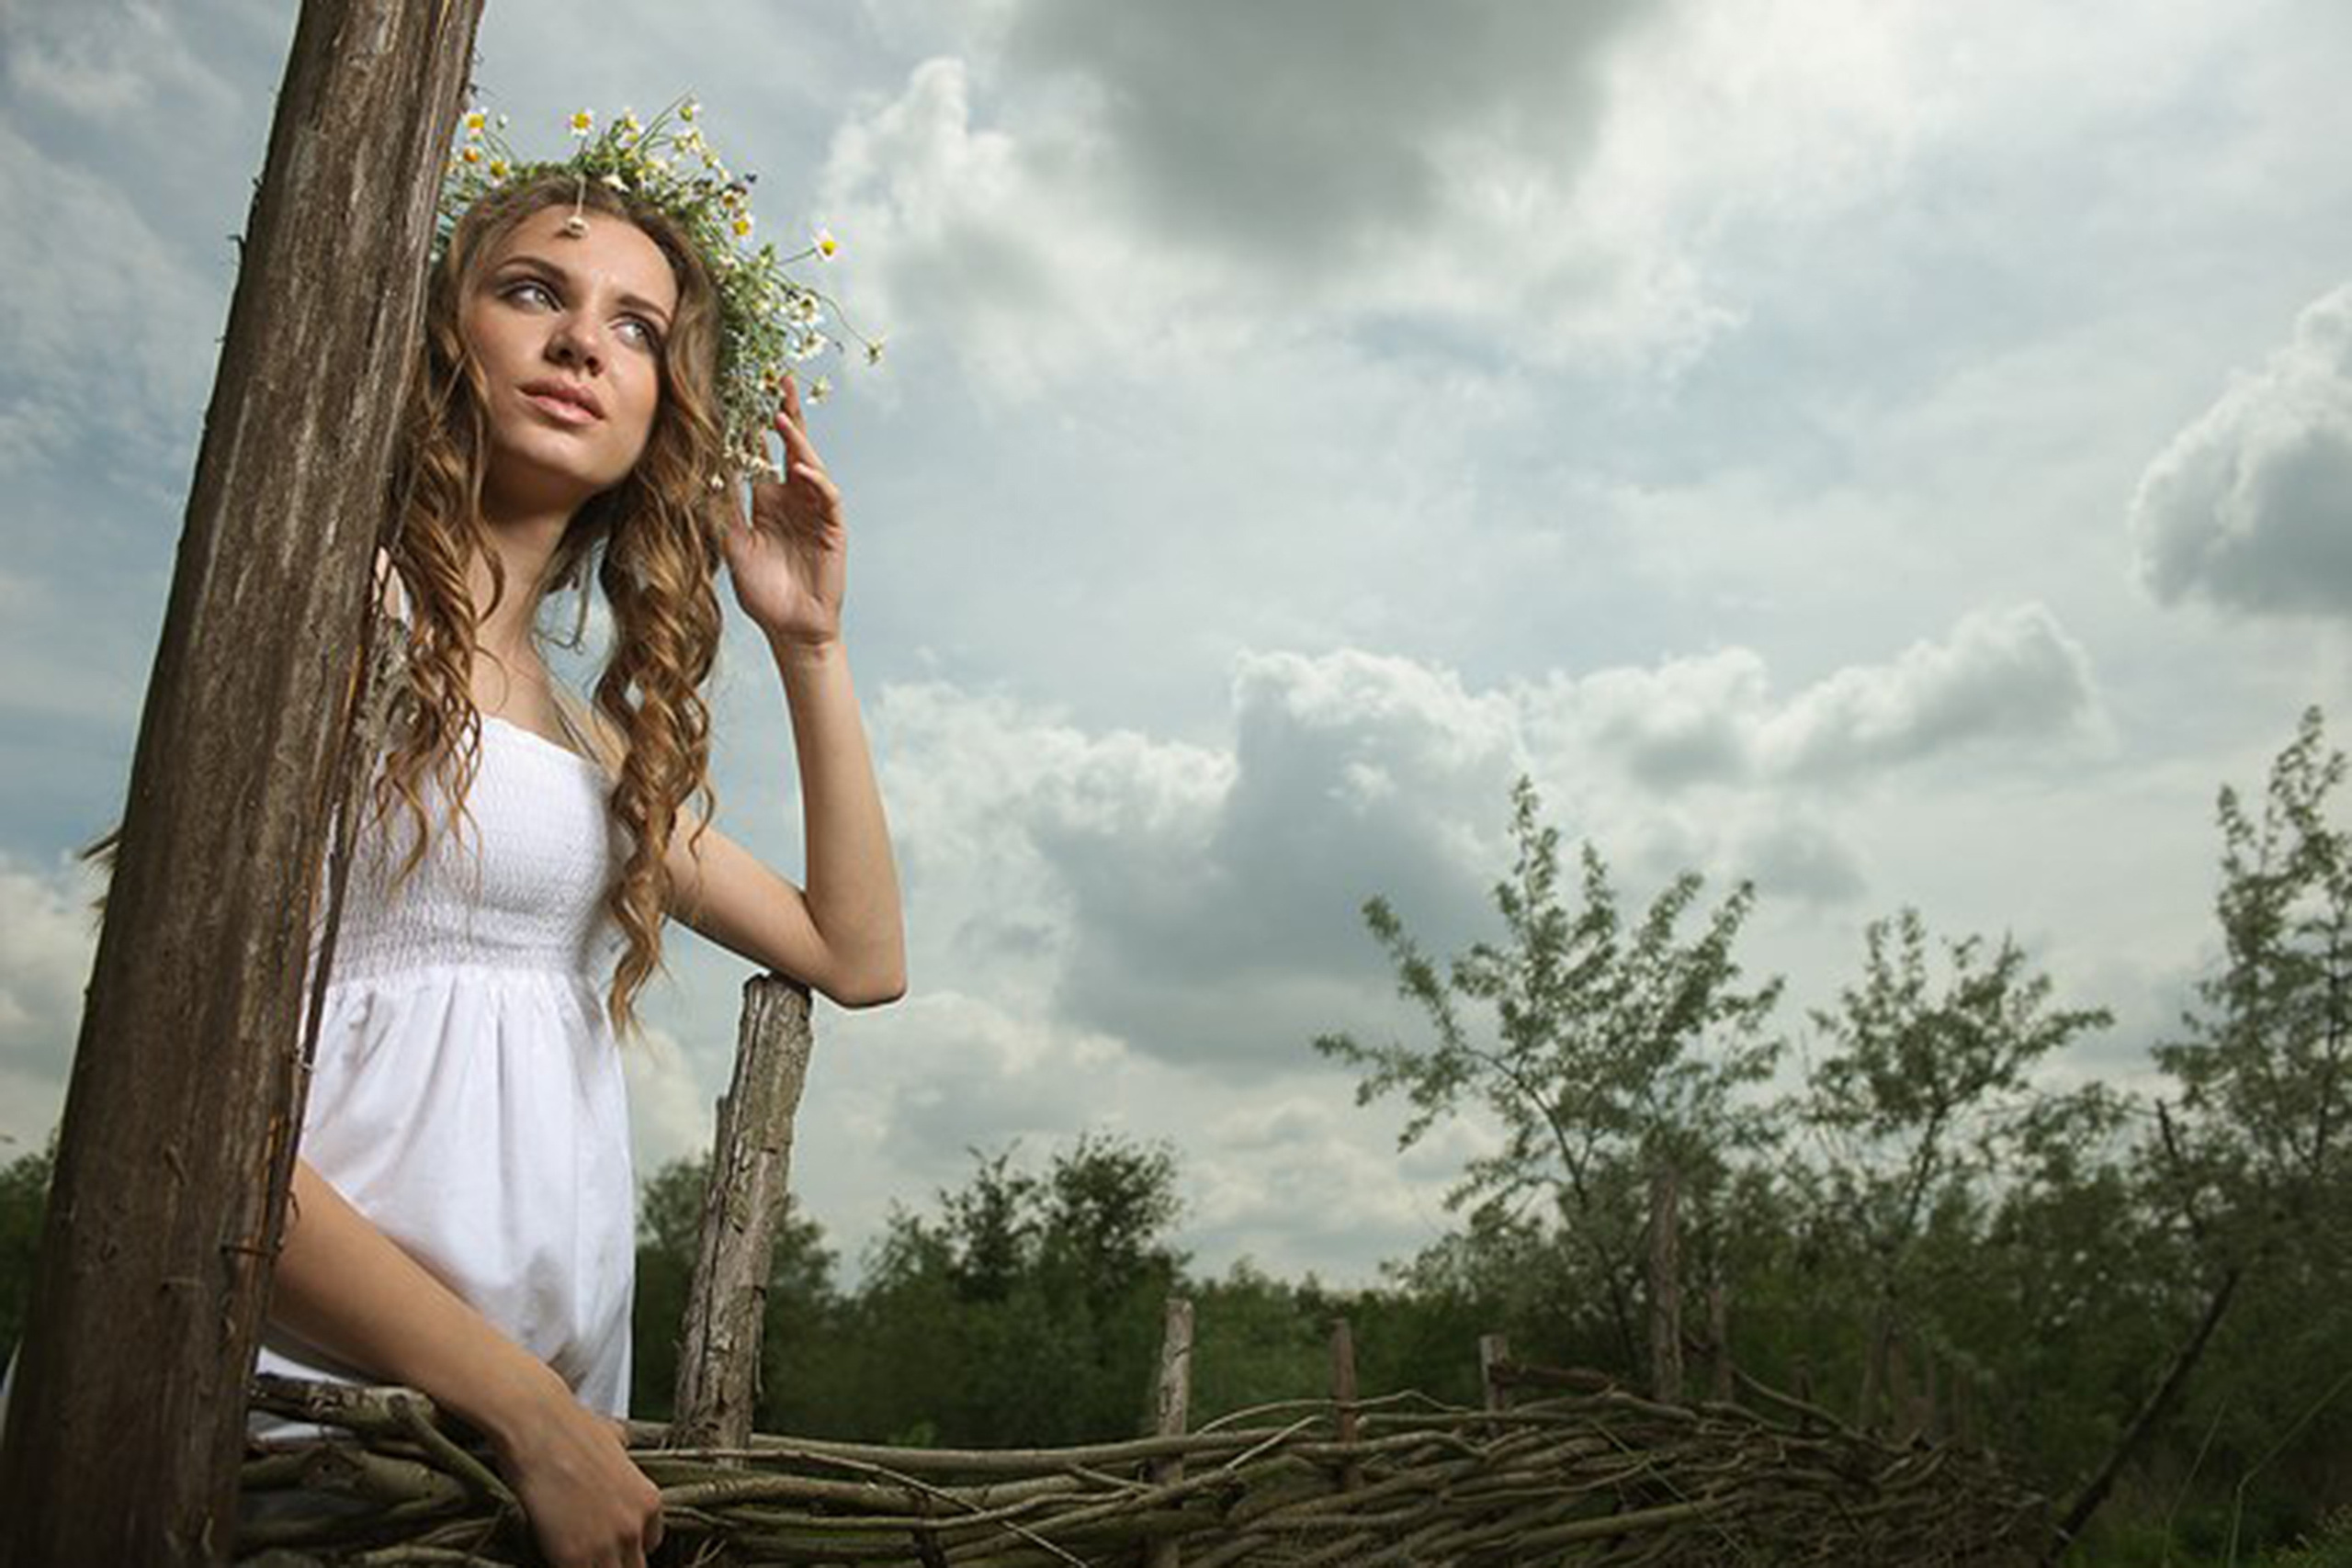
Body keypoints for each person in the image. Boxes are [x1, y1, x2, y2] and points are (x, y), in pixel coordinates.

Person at [251, 106, 904, 1568]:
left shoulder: (588, 739)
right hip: (287, 1411)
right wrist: (524, 1413)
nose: (581, 343)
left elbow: (856, 957)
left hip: (509, 1467)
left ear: (663, 403)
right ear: (444, 332)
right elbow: (203, 1104)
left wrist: (809, 642)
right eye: (535, 290)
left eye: (636, 325)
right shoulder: (321, 617)